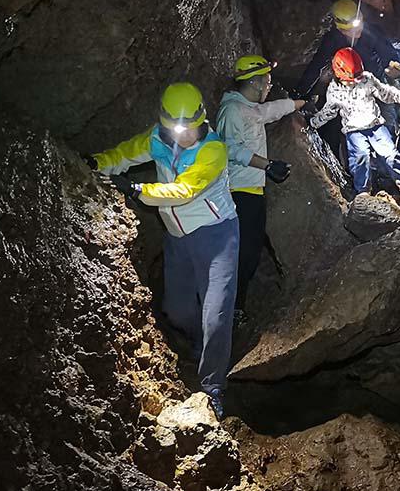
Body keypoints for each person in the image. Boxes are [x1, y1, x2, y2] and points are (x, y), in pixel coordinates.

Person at [87, 82, 268, 419]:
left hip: (218, 237)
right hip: (177, 240)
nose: (182, 135)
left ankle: (213, 386)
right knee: (178, 312)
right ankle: (201, 345)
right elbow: (125, 154)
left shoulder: (212, 150)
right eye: (174, 128)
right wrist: (96, 164)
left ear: (201, 119)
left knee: (216, 314)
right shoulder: (157, 138)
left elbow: (183, 190)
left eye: (187, 128)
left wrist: (139, 189)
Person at [216, 55, 305, 324]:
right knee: (241, 255)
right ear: (255, 82)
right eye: (267, 80)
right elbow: (229, 148)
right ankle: (227, 311)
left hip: (252, 192)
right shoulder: (232, 110)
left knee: (250, 253)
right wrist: (267, 165)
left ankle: (234, 307)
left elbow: (272, 110)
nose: (269, 84)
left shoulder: (249, 108)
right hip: (237, 192)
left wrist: (302, 104)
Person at [310, 47, 400, 203]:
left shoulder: (367, 79)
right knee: (360, 158)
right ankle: (363, 192)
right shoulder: (334, 90)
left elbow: (386, 93)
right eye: (354, 78)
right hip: (354, 130)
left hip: (375, 125)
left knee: (390, 154)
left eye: (359, 76)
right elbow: (329, 111)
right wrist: (313, 122)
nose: (358, 80)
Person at [294, 0, 400, 141]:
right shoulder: (333, 39)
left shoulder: (372, 32)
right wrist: (299, 93)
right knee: (343, 130)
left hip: (374, 82)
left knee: (386, 123)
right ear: (340, 28)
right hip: (347, 87)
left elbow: (388, 54)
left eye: (359, 25)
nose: (358, 30)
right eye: (351, 29)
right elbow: (316, 66)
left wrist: (392, 66)